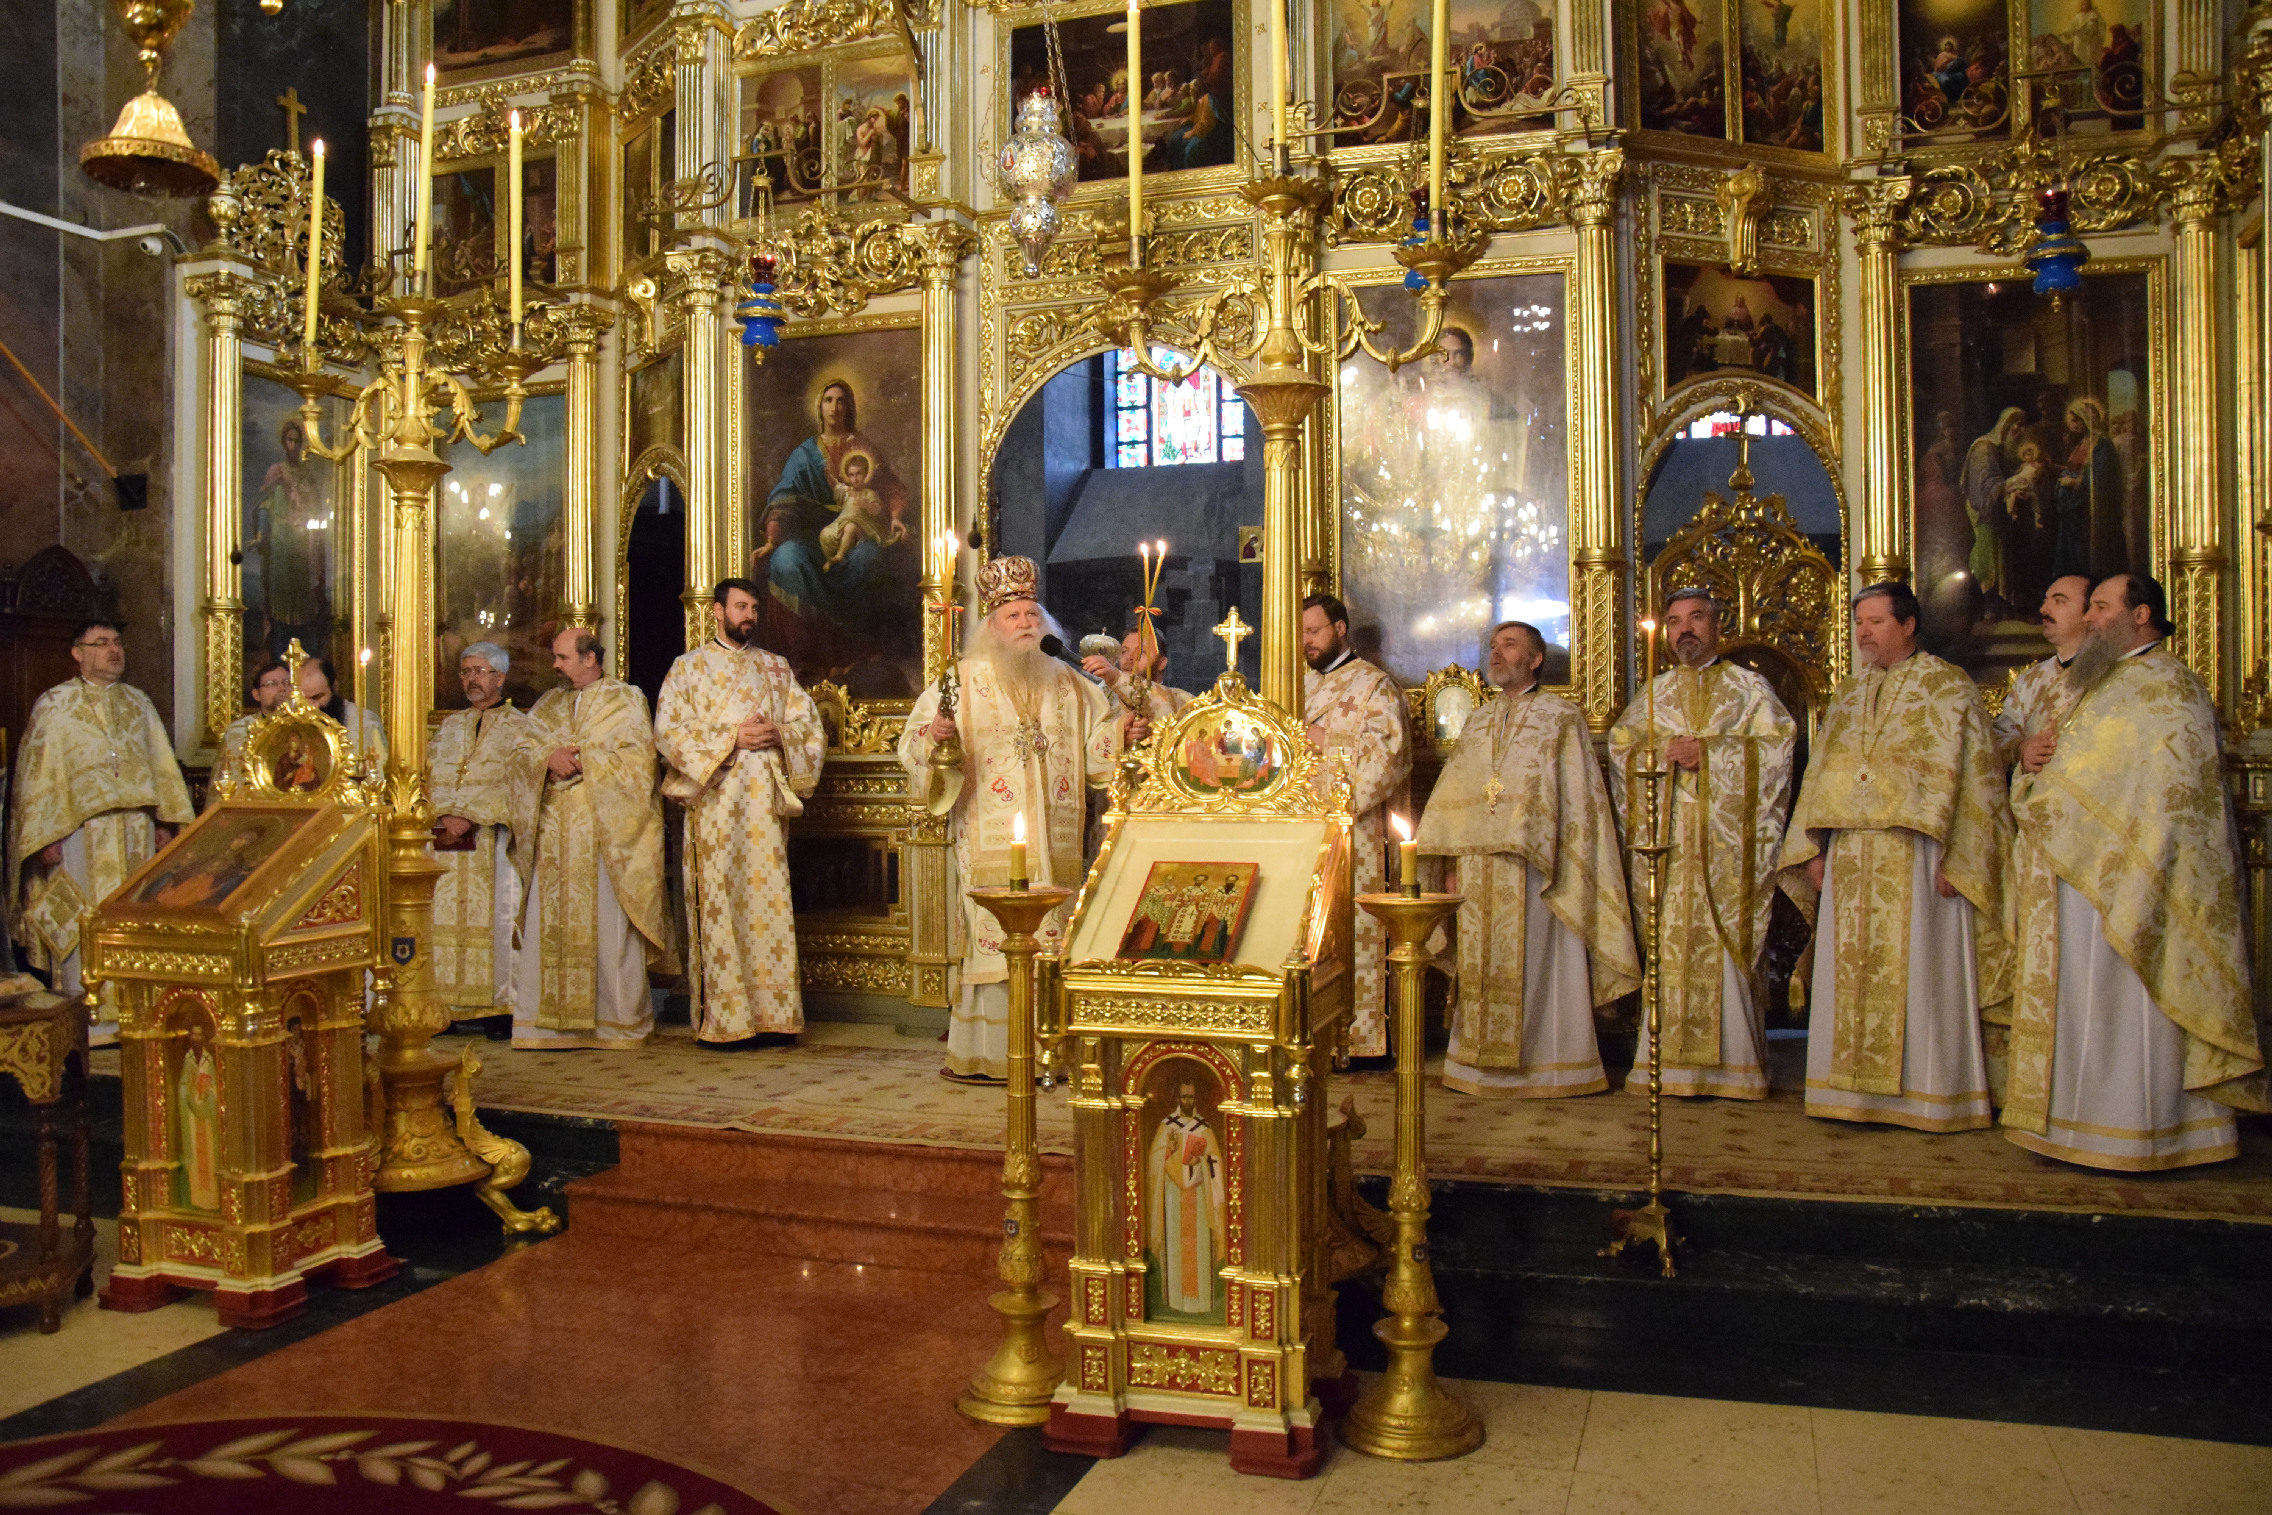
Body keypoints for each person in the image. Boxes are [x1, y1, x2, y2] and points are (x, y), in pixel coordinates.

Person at [2001, 575, 2266, 1168]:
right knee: (2083, 998)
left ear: (2140, 614)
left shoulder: (2170, 686)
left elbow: (2174, 792)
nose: (2091, 619)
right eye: (2088, 607)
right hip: (2081, 871)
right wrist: (2030, 764)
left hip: (2147, 876)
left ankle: (2151, 1130)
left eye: (2101, 607)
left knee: (2134, 1002)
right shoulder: (2092, 682)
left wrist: (2129, 847)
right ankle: (2078, 1123)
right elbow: (2063, 766)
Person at [1779, 583, 2013, 1132]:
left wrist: (1964, 854)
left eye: (1876, 621)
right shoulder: (1849, 695)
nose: (1864, 632)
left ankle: (1929, 1095)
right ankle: (1849, 1095)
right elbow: (1820, 778)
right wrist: (1815, 845)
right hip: (1852, 858)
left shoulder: (1949, 688)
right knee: (1850, 975)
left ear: (1908, 625)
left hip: (1920, 857)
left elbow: (1978, 782)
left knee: (1920, 974)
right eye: (1859, 621)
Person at [897, 555, 1116, 1081]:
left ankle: (1054, 1057)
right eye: (1013, 616)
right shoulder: (960, 681)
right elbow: (913, 744)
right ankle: (991, 1056)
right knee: (994, 943)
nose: (1025, 623)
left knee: (1054, 941)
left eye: (1030, 614)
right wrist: (937, 740)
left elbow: (1100, 754)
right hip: (988, 838)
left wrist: (1122, 735)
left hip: (1057, 845)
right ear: (991, 626)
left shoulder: (1070, 681)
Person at [1418, 621, 1640, 1097]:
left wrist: (1561, 854)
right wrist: (1451, 857)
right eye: (1493, 646)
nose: (1496, 654)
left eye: (1509, 645)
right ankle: (1476, 1067)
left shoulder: (1561, 718)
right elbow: (1457, 795)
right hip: (1478, 873)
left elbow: (1579, 802)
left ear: (1535, 659)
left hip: (1538, 868)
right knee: (1481, 967)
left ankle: (1551, 1066)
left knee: (1541, 965)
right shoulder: (1478, 719)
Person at [1608, 588, 1798, 1100]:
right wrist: (1659, 753)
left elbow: (1778, 751)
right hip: (1667, 849)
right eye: (1673, 621)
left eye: (1695, 619)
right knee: (1669, 948)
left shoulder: (1749, 689)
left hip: (1724, 851)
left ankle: (1736, 1070)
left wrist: (1711, 753)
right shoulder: (1652, 697)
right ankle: (1662, 1066)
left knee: (1724, 947)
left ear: (1718, 626)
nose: (1683, 630)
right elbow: (1622, 751)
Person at [654, 579, 825, 1047]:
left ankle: (774, 1017)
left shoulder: (775, 668)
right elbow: (668, 731)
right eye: (740, 607)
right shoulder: (687, 669)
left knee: (767, 910)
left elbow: (807, 727)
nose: (748, 615)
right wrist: (732, 738)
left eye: (753, 608)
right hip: (715, 812)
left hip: (764, 814)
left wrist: (777, 735)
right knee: (721, 908)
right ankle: (727, 1021)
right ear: (717, 611)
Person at [7, 619, 193, 1045]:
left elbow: (161, 766)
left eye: (117, 642)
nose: (113, 651)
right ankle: (83, 1016)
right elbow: (39, 777)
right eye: (101, 643)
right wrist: (42, 839)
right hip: (78, 833)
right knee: (81, 920)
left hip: (136, 832)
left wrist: (163, 822)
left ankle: (138, 1011)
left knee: (138, 919)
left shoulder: (138, 702)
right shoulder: (55, 705)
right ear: (78, 652)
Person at [508, 627, 670, 1051]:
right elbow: (520, 752)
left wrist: (584, 760)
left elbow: (640, 760)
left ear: (589, 659)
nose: (555, 665)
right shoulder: (547, 704)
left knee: (608, 927)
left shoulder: (625, 698)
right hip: (553, 834)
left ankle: (615, 1023)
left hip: (604, 835)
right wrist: (547, 758)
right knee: (550, 924)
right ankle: (545, 1026)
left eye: (562, 657)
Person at [1301, 593, 1413, 1061]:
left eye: (1315, 631)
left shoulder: (1375, 686)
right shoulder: (1296, 685)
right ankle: (1309, 1035)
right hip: (1299, 830)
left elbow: (1390, 757)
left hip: (1355, 834)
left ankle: (1361, 1039)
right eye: (1302, 633)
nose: (1307, 641)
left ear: (1340, 629)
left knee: (1354, 931)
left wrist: (1329, 743)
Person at [429, 642, 530, 1037]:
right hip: (444, 844)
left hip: (491, 844)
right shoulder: (450, 726)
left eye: (479, 671)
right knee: (440, 923)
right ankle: (444, 1007)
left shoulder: (521, 727)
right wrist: (443, 813)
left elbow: (518, 783)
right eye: (465, 671)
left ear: (499, 678)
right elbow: (429, 773)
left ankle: (496, 1008)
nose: (471, 678)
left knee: (493, 922)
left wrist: (469, 815)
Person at [1992, 574, 2092, 770]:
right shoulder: (2030, 680)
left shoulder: (2113, 675)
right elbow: (2000, 736)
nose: (2044, 609)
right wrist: (2021, 748)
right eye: (2046, 601)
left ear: (2089, 614)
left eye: (2059, 601)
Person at [1147, 1080, 1225, 1316]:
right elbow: (1154, 1161)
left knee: (1199, 1247)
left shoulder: (1204, 1128)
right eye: (1184, 1097)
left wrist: (1200, 1161)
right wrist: (1169, 1151)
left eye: (1191, 1097)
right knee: (1176, 1246)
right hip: (1173, 1197)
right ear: (1177, 1098)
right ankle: (1175, 1300)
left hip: (1199, 1197)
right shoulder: (1167, 1126)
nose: (1188, 1101)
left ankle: (1200, 1303)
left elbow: (1215, 1163)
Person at [1083, 626, 1191, 766]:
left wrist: (1115, 677)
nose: (1130, 658)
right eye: (1124, 652)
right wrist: (1121, 737)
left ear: (1161, 663)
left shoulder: (1182, 700)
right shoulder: (1100, 696)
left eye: (1142, 652)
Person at [208, 657, 294, 807]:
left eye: (286, 683)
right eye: (272, 684)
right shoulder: (238, 732)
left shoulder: (308, 726)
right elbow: (223, 783)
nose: (282, 689)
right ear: (256, 694)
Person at [297, 655, 388, 770]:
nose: (312, 707)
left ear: (334, 687)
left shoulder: (365, 723)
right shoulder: (290, 723)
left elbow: (375, 776)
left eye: (317, 697)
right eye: (304, 700)